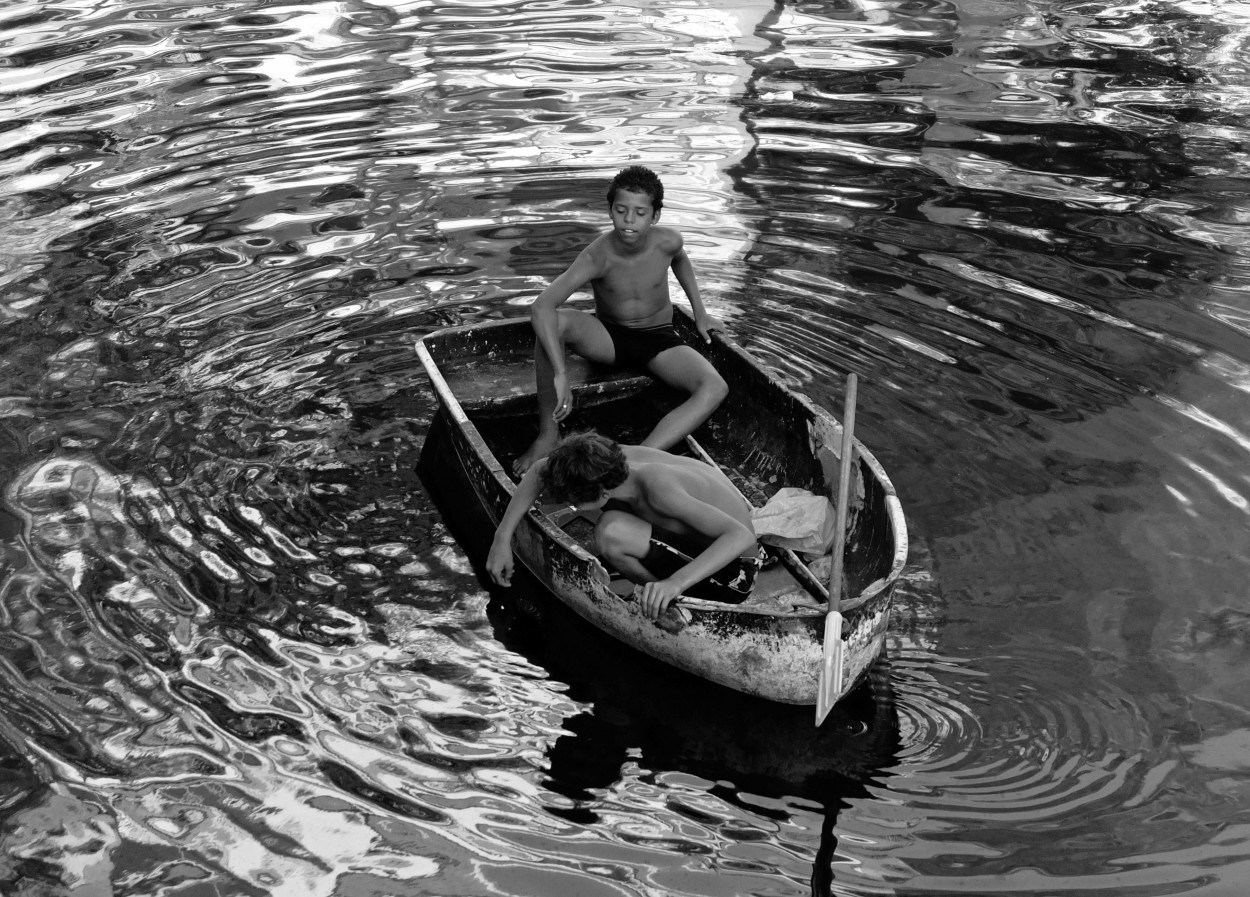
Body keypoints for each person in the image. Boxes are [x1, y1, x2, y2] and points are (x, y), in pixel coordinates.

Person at [511, 165, 727, 476]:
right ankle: (548, 435)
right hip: (610, 339)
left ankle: (640, 456)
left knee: (715, 387)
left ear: (654, 216)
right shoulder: (596, 256)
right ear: (610, 210)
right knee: (552, 323)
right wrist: (560, 373)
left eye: (639, 213)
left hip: (659, 339)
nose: (628, 220)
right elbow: (541, 306)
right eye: (621, 210)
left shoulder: (668, 242)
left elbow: (679, 258)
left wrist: (701, 312)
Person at [487, 432, 761, 620]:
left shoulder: (658, 489)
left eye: (571, 501)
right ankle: (661, 588)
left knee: (611, 532)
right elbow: (538, 471)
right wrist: (502, 538)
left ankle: (662, 600)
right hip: (698, 537)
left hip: (734, 571)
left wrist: (674, 584)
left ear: (603, 494)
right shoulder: (608, 460)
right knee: (614, 522)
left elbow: (739, 536)